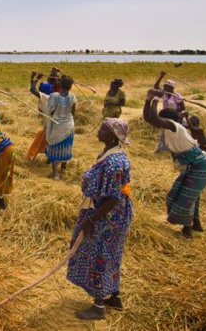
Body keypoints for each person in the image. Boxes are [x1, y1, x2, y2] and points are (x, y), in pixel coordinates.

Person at [67, 118, 133, 320]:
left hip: (108, 218)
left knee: (100, 257)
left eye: (103, 129)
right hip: (103, 213)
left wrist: (91, 220)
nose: (99, 131)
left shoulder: (114, 163)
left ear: (113, 136)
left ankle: (98, 306)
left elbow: (113, 198)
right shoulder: (108, 154)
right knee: (111, 255)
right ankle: (114, 297)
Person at [144, 88, 206, 238]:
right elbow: (149, 118)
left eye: (160, 120)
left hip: (200, 167)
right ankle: (196, 224)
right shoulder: (172, 130)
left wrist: (156, 98)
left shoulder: (174, 127)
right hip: (197, 167)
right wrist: (148, 99)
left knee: (184, 198)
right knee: (191, 196)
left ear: (166, 120)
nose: (157, 123)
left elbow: (153, 117)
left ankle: (187, 231)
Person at [44, 75, 77, 179]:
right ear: (70, 86)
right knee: (66, 146)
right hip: (68, 126)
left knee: (55, 148)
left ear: (60, 84)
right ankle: (64, 168)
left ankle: (55, 174)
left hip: (57, 126)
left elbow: (50, 111)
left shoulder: (54, 96)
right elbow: (73, 113)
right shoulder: (72, 97)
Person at [27, 71, 56, 160]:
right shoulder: (53, 97)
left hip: (50, 126)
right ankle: (49, 159)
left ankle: (47, 158)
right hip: (53, 125)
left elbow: (32, 89)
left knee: (42, 141)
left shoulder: (45, 98)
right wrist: (32, 78)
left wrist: (36, 79)